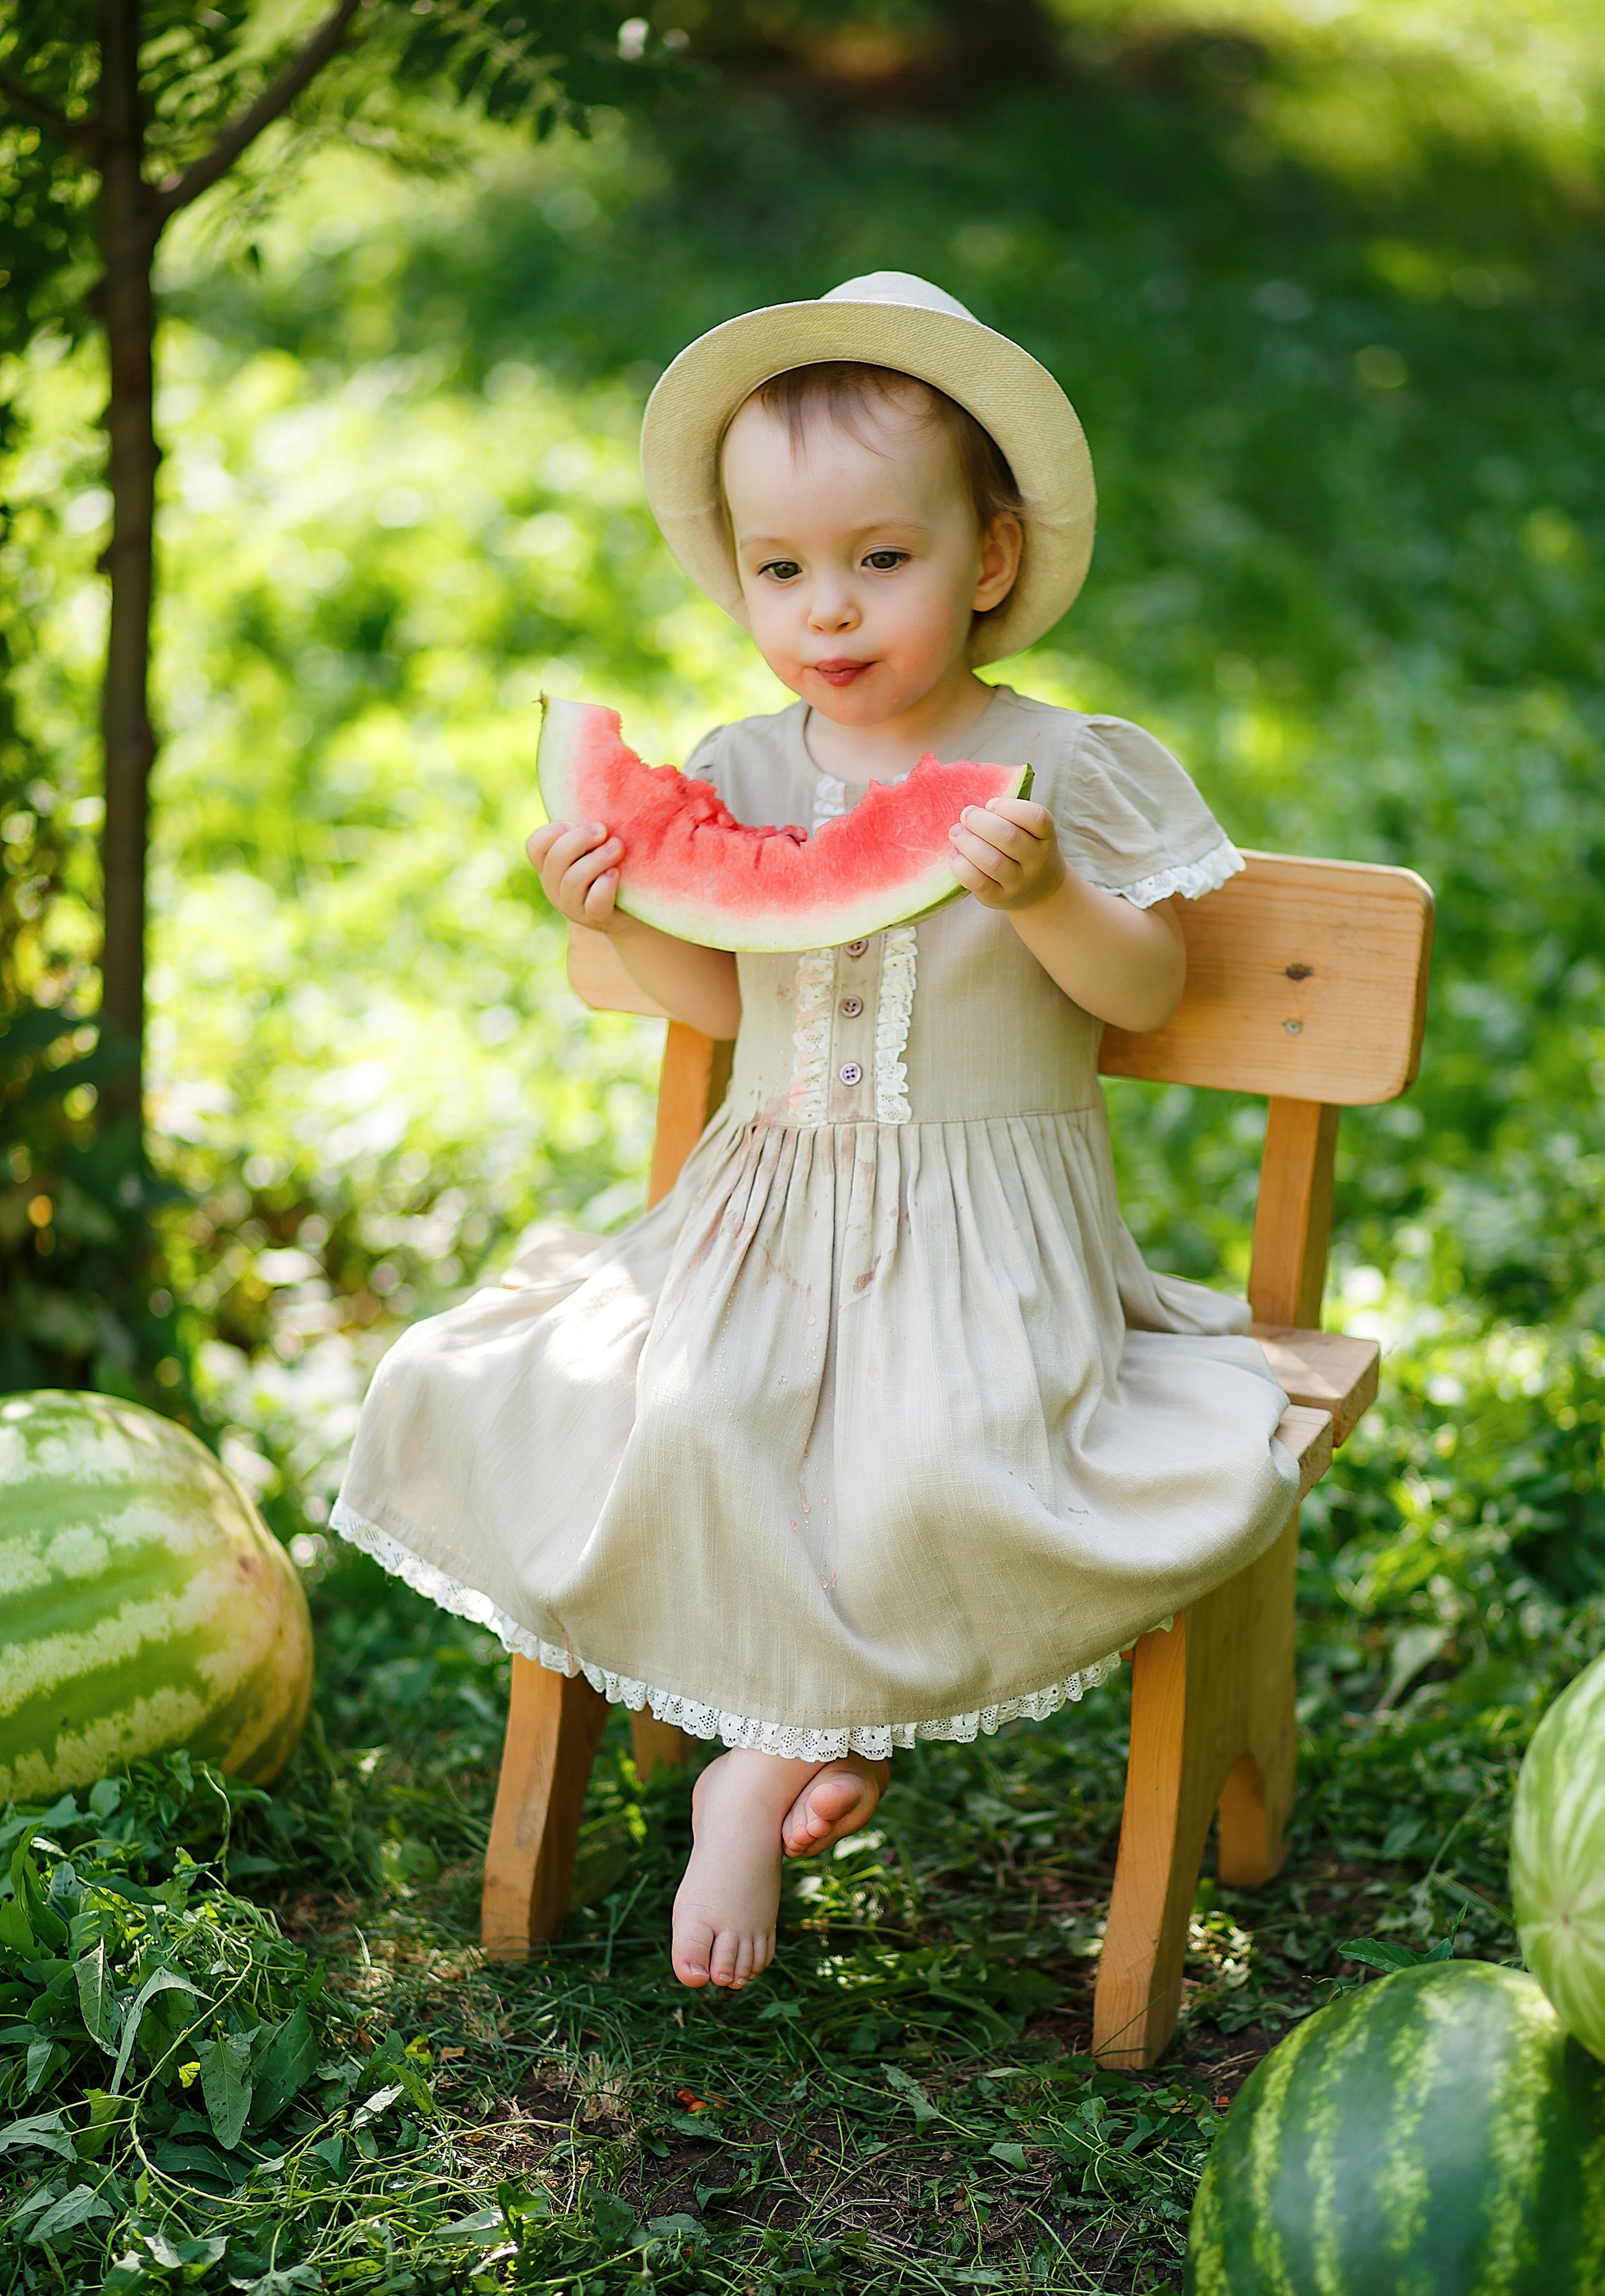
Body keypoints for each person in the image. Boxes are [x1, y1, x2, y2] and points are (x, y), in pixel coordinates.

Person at [331, 273, 1300, 1995]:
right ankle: (821, 1724)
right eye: (780, 571)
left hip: (990, 1241)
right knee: (693, 1412)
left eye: (879, 559)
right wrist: (623, 913)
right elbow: (720, 1004)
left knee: (944, 1454)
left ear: (986, 558)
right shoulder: (737, 769)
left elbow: (1143, 988)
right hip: (761, 1213)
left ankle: (761, 1764)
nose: (825, 613)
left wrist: (1053, 892)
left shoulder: (1065, 766)